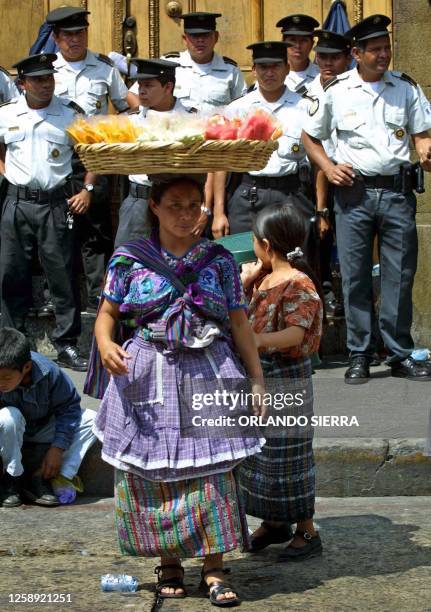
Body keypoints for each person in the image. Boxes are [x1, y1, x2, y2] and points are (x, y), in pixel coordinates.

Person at [89, 175, 266, 604]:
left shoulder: (219, 261)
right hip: (146, 373)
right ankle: (168, 562)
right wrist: (106, 344)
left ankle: (214, 568)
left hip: (210, 369)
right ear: (154, 206)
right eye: (175, 206)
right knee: (149, 475)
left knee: (214, 472)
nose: (186, 215)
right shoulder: (129, 260)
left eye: (194, 206)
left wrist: (257, 379)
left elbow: (239, 322)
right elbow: (106, 314)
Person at [302, 14, 431, 383]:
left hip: (396, 192)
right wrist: (328, 166)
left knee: (399, 275)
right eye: (375, 49)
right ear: (356, 53)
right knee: (355, 276)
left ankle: (398, 352)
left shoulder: (406, 88)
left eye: (386, 47)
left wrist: (424, 149)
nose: (383, 55)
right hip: (353, 195)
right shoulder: (336, 90)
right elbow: (309, 137)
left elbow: (421, 133)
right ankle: (359, 353)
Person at [239, 203, 323, 561]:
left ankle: (307, 529)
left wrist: (258, 341)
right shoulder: (264, 278)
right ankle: (275, 523)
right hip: (261, 377)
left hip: (287, 376)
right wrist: (245, 281)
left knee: (290, 457)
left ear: (267, 244)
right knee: (261, 457)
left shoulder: (297, 282)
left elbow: (294, 333)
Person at [0, 53, 93, 371]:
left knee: (62, 276)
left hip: (55, 203)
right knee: (10, 273)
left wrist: (87, 189)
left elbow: (92, 153)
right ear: (22, 84)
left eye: (49, 78)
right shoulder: (7, 113)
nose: (45, 84)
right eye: (37, 79)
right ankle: (14, 341)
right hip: (16, 203)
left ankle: (66, 344)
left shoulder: (69, 114)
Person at [45, 6, 138, 314]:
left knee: (95, 231)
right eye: (68, 35)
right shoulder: (46, 70)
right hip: (54, 159)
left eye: (80, 33)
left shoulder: (104, 68)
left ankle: (100, 297)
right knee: (54, 231)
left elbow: (127, 107)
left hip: (94, 158)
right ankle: (54, 295)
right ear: (57, 38)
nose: (75, 40)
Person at [212, 41, 314, 248]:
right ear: (254, 69)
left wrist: (321, 209)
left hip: (291, 194)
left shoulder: (306, 107)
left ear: (287, 68)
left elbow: (317, 158)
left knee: (292, 262)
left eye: (275, 66)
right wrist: (218, 212)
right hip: (247, 196)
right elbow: (222, 163)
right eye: (263, 67)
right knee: (245, 265)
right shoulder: (237, 109)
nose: (269, 73)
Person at [114, 58, 208, 247]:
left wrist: (204, 208)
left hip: (180, 205)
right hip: (140, 201)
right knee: (131, 263)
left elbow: (210, 164)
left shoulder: (193, 119)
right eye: (140, 85)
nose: (141, 91)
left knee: (179, 265)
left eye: (148, 85)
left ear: (168, 87)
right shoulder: (130, 121)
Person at [0, 328, 96, 508]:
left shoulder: (50, 373)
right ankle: (11, 481)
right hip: (9, 430)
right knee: (8, 417)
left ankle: (43, 477)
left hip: (41, 428)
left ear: (26, 367)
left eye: (5, 377)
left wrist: (58, 448)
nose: (0, 383)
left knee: (93, 420)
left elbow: (69, 409)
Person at [307, 30, 352, 317]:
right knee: (316, 251)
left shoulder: (355, 88)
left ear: (348, 58)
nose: (327, 63)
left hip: (350, 179)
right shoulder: (306, 92)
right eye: (322, 56)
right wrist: (321, 208)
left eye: (334, 57)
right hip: (311, 181)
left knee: (355, 260)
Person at [129, 12, 246, 115]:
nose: (200, 40)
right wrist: (148, 118)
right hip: (176, 134)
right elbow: (133, 94)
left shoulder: (230, 70)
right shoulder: (168, 64)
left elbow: (243, 106)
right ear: (185, 39)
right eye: (194, 36)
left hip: (217, 135)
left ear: (215, 37)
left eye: (205, 35)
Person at [276, 14, 320, 92]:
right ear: (283, 43)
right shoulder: (272, 76)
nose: (298, 46)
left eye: (303, 40)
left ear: (312, 44)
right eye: (292, 40)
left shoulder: (321, 76)